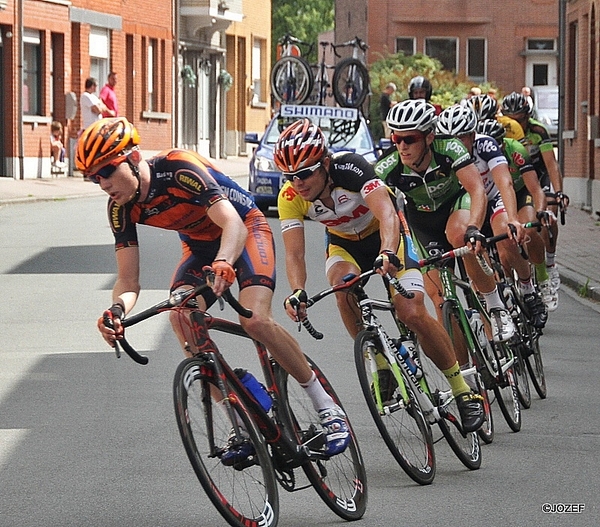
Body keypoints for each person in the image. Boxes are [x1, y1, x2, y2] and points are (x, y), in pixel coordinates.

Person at [76, 117, 351, 461]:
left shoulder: (178, 168)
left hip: (245, 232)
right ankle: (239, 421)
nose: (101, 183)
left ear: (132, 158)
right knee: (181, 316)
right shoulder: (120, 208)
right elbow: (128, 280)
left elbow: (232, 222)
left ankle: (326, 407)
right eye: (93, 177)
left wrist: (224, 261)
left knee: (255, 321)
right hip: (201, 249)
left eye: (105, 171)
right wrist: (116, 310)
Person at [274, 118, 484, 433]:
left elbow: (386, 213)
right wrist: (297, 290)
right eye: (289, 176)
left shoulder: (352, 169)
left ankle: (462, 390)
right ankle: (381, 362)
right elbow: (294, 254)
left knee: (412, 312)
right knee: (343, 288)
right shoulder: (290, 198)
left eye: (304, 174)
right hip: (344, 246)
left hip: (387, 237)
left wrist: (387, 251)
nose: (297, 183)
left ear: (325, 164)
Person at [375, 100, 516, 343]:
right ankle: (464, 375)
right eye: (397, 139)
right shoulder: (388, 166)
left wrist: (474, 227)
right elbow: (383, 212)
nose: (402, 146)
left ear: (429, 136)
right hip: (422, 221)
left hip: (455, 205)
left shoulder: (449, 147)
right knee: (440, 301)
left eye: (410, 139)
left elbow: (476, 190)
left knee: (460, 235)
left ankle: (496, 307)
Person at [435, 105, 547, 329]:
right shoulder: (441, 152)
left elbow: (504, 181)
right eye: (451, 138)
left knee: (506, 234)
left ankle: (528, 289)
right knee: (469, 248)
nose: (456, 143)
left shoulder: (485, 144)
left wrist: (514, 219)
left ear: (473, 135)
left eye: (462, 137)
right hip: (467, 206)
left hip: (493, 198)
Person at [477, 118, 558, 311]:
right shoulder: (474, 156)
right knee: (502, 255)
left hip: (521, 192)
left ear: (502, 142)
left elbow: (535, 188)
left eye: (497, 143)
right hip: (490, 199)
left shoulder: (515, 150)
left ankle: (542, 277)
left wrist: (540, 212)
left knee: (529, 230)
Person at [501, 91, 568, 300]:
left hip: (538, 176)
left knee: (547, 217)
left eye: (519, 118)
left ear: (526, 116)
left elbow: (551, 163)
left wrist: (558, 192)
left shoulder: (538, 130)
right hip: (516, 178)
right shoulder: (502, 131)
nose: (515, 122)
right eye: (510, 118)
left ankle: (550, 261)